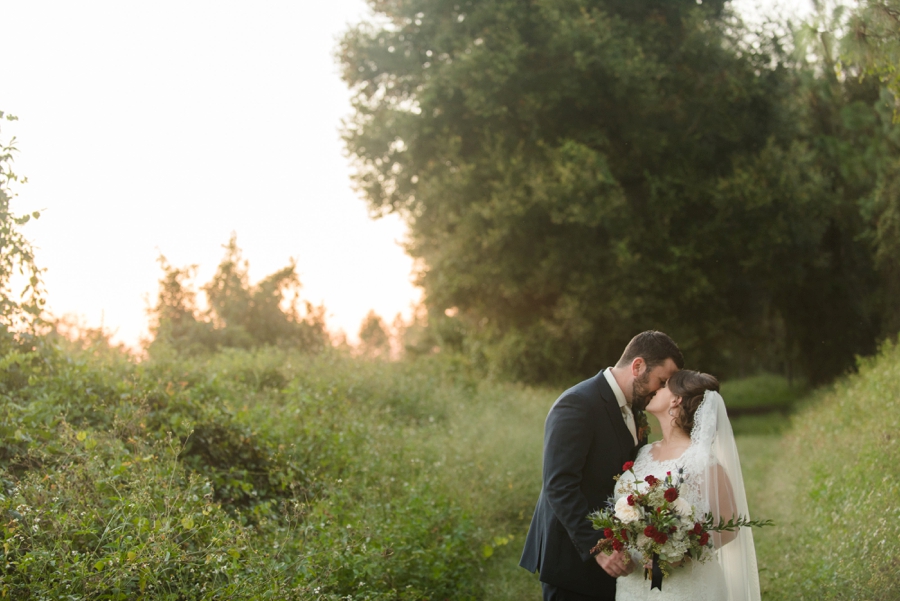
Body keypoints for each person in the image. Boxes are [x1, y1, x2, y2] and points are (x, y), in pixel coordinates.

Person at [520, 331, 684, 601]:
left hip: (613, 560)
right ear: (638, 366)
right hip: (572, 559)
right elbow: (559, 485)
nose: (662, 390)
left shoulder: (634, 408)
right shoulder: (577, 404)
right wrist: (597, 547)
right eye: (662, 380)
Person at [613, 370, 761, 601]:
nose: (655, 388)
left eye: (663, 385)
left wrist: (681, 552)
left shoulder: (701, 460)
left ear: (676, 400)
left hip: (683, 587)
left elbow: (730, 526)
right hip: (633, 583)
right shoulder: (644, 452)